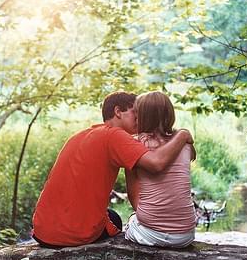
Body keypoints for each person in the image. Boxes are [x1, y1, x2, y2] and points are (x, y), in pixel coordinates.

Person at [32, 91, 194, 248]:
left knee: (112, 215)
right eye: (134, 113)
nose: (139, 118)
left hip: (44, 230)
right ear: (118, 112)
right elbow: (156, 163)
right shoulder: (115, 136)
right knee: (115, 220)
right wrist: (182, 135)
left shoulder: (80, 135)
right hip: (72, 234)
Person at [125, 91, 196, 248]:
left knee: (130, 221)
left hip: (150, 233)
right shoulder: (185, 144)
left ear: (141, 116)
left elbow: (133, 195)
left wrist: (150, 217)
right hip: (185, 235)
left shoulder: (133, 144)